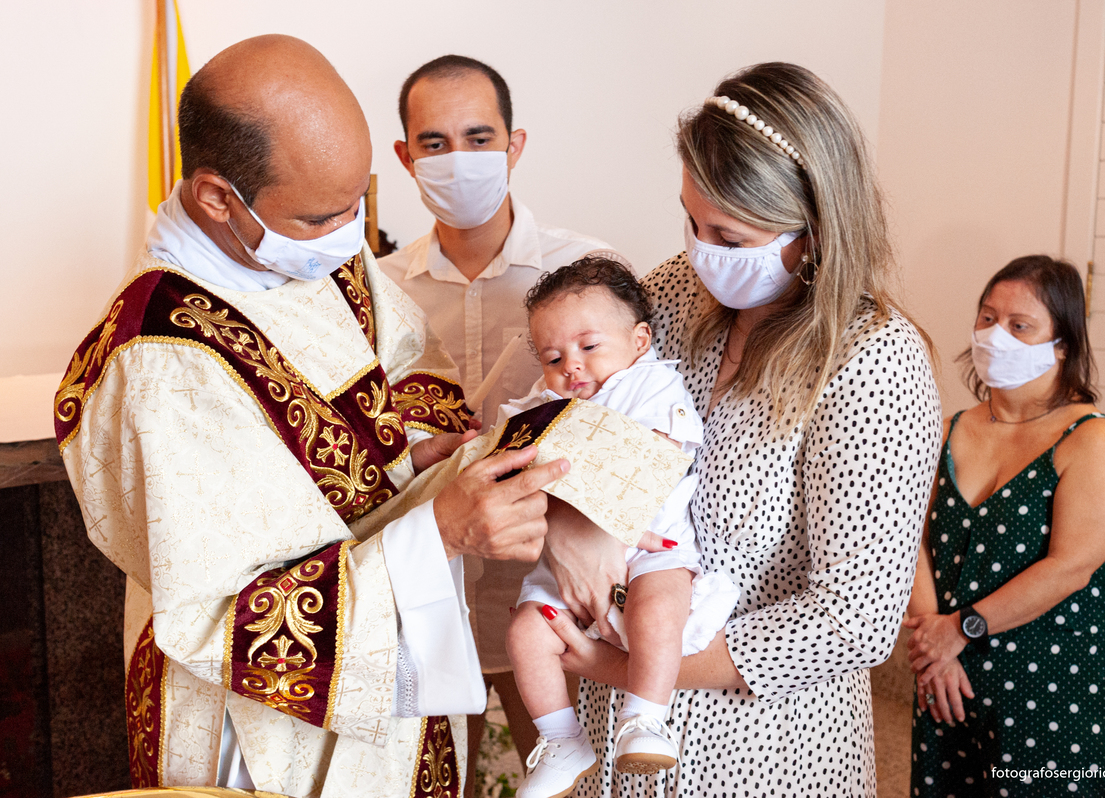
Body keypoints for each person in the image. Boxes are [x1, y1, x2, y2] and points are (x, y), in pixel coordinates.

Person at [53, 35, 568, 798]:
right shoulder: (157, 359)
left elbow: (409, 363)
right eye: (322, 216)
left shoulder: (304, 242)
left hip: (391, 665)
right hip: (268, 729)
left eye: (356, 201)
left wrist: (418, 448)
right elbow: (221, 619)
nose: (348, 237)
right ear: (218, 198)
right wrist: (441, 528)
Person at [528, 63, 943, 797]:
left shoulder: (873, 362)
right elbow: (581, 420)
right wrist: (564, 525)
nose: (700, 247)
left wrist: (625, 670)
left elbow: (855, 620)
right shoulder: (676, 294)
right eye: (691, 220)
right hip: (616, 734)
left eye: (729, 233)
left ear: (815, 232)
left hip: (758, 749)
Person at [377, 54, 627, 778]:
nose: (460, 159)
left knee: (572, 778)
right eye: (435, 143)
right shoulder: (378, 292)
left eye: (479, 138)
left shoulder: (587, 273)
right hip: (429, 595)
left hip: (547, 592)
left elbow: (630, 427)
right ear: (405, 157)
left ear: (515, 146)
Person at [904, 255, 1105, 797]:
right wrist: (931, 646)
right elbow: (909, 541)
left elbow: (1070, 568)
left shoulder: (1093, 439)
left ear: (1062, 346)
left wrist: (957, 629)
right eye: (987, 318)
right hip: (948, 680)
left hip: (1059, 689)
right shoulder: (946, 430)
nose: (995, 336)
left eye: (1019, 326)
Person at [501, 258, 737, 797]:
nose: (572, 368)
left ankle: (645, 717)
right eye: (553, 357)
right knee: (525, 632)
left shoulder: (648, 385)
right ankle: (561, 740)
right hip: (562, 566)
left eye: (589, 347)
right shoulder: (543, 406)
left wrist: (554, 476)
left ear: (638, 340)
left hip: (650, 550)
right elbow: (505, 460)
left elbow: (654, 456)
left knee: (658, 610)